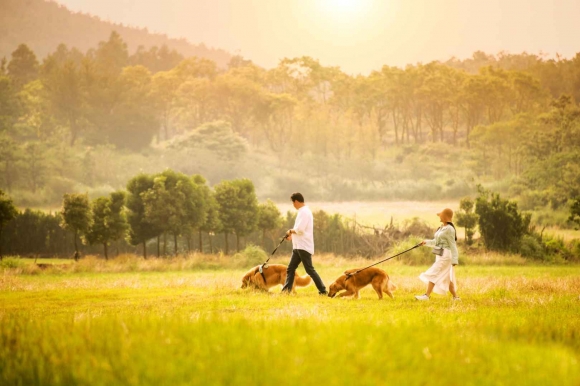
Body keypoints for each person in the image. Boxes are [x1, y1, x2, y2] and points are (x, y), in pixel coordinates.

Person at [281, 192, 327, 295]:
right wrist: (292, 236)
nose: (293, 205)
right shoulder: (302, 212)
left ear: (296, 201)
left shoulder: (305, 212)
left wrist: (290, 231)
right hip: (298, 246)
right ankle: (286, 291)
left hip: (303, 246)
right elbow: (300, 230)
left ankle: (323, 290)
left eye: (293, 203)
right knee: (290, 269)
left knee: (310, 270)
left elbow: (300, 229)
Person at [415, 208, 460, 301]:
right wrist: (426, 242)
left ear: (445, 216)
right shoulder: (441, 228)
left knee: (434, 273)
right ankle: (456, 297)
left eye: (440, 215)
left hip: (446, 255)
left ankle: (426, 296)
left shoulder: (450, 229)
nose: (439, 217)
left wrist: (455, 259)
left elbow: (453, 245)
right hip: (439, 254)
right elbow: (436, 242)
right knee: (447, 278)